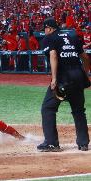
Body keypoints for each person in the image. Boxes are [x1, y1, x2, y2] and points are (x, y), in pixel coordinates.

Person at [37, 17, 91, 152]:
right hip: (78, 76)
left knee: (48, 108)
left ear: (49, 28)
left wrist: (54, 79)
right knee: (78, 110)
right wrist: (84, 73)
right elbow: (85, 57)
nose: (45, 32)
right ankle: (83, 143)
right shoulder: (72, 36)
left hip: (63, 77)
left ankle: (51, 143)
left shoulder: (49, 38)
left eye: (45, 29)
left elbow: (53, 55)